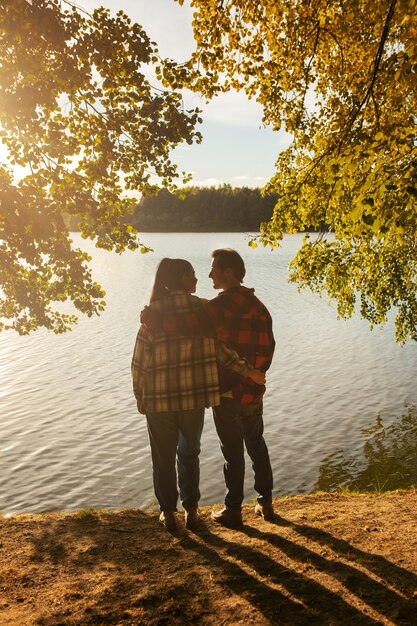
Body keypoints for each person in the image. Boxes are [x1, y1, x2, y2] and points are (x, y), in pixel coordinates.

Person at [141, 249, 275, 528]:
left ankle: (232, 510)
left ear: (228, 272)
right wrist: (255, 374)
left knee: (232, 453)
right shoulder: (259, 306)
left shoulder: (215, 308)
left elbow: (183, 326)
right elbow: (268, 346)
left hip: (227, 392)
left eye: (214, 269)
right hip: (252, 390)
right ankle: (265, 502)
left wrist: (152, 319)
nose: (209, 274)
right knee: (257, 446)